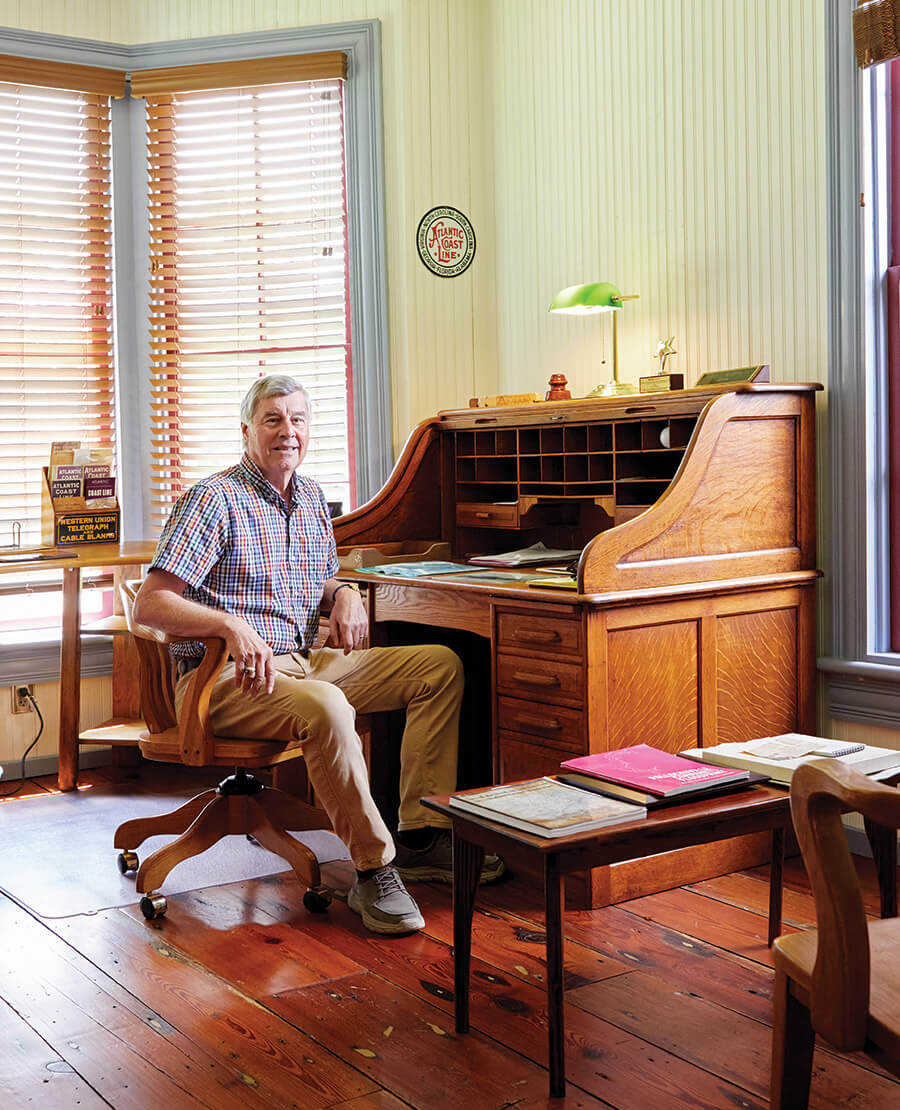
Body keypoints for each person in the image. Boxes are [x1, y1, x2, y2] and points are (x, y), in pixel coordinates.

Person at [133, 374, 501, 935]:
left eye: (297, 419)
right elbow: (151, 607)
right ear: (246, 430)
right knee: (327, 705)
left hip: (305, 661)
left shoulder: (307, 498)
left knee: (439, 667)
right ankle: (374, 870)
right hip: (227, 679)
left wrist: (347, 591)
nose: (288, 432)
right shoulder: (212, 499)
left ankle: (423, 836)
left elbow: (317, 578)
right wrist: (230, 624)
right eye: (273, 419)